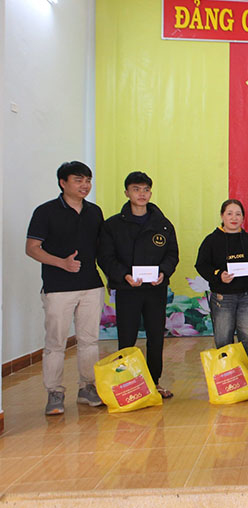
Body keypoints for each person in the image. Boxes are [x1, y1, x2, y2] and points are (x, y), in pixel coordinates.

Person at [26, 161, 106, 414]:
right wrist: (62, 263)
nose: (85, 185)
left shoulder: (94, 212)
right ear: (63, 183)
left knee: (89, 341)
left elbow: (102, 248)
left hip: (91, 285)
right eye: (78, 180)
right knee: (56, 342)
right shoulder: (45, 211)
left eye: (88, 180)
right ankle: (54, 392)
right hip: (58, 287)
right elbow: (32, 248)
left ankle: (87, 387)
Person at [98, 171, 179, 398]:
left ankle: (154, 382)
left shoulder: (163, 225)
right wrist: (124, 275)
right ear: (127, 193)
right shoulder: (113, 225)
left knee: (156, 337)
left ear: (150, 193)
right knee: (127, 338)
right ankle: (126, 384)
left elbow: (172, 254)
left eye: (146, 190)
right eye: (136, 189)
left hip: (155, 290)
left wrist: (163, 272)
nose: (141, 194)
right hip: (128, 289)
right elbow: (105, 257)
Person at [195, 199, 248, 375]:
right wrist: (218, 275)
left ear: (243, 218)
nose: (234, 218)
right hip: (223, 299)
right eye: (229, 214)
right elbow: (201, 265)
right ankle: (228, 379)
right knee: (223, 341)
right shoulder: (211, 240)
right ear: (222, 216)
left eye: (238, 214)